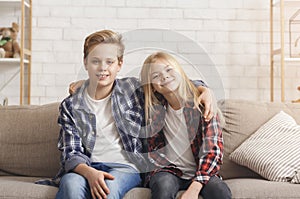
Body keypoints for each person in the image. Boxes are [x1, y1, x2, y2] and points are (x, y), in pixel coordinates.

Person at [55, 30, 215, 199]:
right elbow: (71, 153)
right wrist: (90, 173)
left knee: (108, 189)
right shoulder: (71, 105)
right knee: (70, 184)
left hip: (125, 168)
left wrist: (203, 88)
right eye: (95, 61)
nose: (102, 67)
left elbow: (166, 83)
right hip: (86, 167)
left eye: (109, 62)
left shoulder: (132, 89)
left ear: (120, 64)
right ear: (85, 63)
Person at [140, 52, 232, 199]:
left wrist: (195, 187)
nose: (164, 76)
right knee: (163, 187)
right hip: (169, 170)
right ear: (152, 86)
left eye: (169, 70)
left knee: (220, 192)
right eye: (156, 76)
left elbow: (212, 150)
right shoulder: (154, 110)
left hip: (200, 170)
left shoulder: (201, 104)